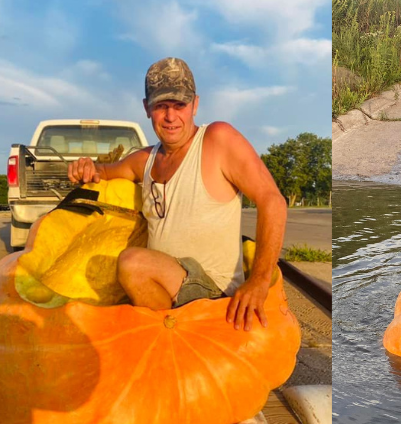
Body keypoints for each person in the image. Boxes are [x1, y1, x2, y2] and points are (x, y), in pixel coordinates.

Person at [68, 57, 287, 331]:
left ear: (195, 105)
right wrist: (86, 167)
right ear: (147, 108)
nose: (171, 117)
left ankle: (176, 339)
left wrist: (259, 281)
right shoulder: (146, 159)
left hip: (213, 292)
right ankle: (168, 342)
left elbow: (273, 201)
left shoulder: (217, 139)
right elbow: (104, 172)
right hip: (167, 288)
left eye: (179, 105)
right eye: (161, 106)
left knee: (133, 263)